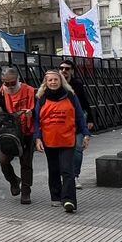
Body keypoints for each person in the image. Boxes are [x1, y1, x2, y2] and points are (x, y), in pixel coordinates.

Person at [34, 70, 88, 214]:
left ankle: (69, 200)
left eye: (55, 80)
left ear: (61, 81)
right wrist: (38, 138)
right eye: (50, 80)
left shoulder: (70, 96)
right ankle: (56, 196)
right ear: (46, 83)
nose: (53, 82)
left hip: (67, 139)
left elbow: (79, 116)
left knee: (67, 170)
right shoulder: (41, 98)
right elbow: (37, 121)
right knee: (54, 169)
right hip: (49, 139)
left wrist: (86, 134)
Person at [0, 67, 36, 203]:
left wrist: (31, 113)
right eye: (6, 83)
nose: (9, 86)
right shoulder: (0, 92)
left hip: (27, 131)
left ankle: (26, 192)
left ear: (18, 79)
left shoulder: (30, 90)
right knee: (3, 160)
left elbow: (39, 109)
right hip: (9, 132)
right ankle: (14, 180)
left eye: (12, 82)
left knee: (26, 162)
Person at [58, 60, 93, 188]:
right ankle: (66, 176)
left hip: (77, 120)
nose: (64, 71)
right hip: (61, 122)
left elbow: (84, 102)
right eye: (61, 68)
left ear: (72, 71)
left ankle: (75, 176)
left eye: (67, 69)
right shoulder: (55, 83)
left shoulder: (77, 84)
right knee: (63, 150)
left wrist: (90, 119)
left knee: (78, 149)